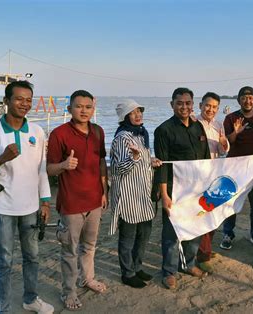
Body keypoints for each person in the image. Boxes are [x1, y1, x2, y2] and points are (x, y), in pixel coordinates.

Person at [0, 81, 54, 314]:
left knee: (32, 258)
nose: (24, 104)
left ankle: (31, 299)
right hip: (2, 207)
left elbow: (41, 170)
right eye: (19, 99)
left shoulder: (37, 132)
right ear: (6, 101)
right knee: (4, 262)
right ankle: (2, 309)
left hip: (31, 207)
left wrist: (45, 201)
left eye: (28, 100)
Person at [47, 90, 107, 310]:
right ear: (70, 108)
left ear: (93, 108)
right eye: (79, 106)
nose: (84, 110)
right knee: (70, 251)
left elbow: (101, 161)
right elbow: (49, 169)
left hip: (94, 201)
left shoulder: (99, 131)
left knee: (90, 246)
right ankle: (68, 292)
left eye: (88, 106)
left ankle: (87, 279)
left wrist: (104, 190)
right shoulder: (59, 133)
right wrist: (63, 165)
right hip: (71, 204)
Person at [154, 87, 211, 290]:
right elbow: (161, 166)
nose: (184, 107)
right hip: (174, 189)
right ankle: (169, 272)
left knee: (195, 228)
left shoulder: (198, 127)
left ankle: (188, 263)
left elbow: (206, 160)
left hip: (197, 189)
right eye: (180, 103)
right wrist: (164, 195)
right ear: (172, 105)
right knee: (171, 233)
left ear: (193, 104)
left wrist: (208, 185)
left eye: (188, 103)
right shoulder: (163, 130)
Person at [109, 99, 162, 289]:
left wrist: (150, 161)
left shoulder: (141, 135)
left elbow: (141, 163)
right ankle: (127, 273)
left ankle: (137, 266)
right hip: (129, 195)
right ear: (125, 117)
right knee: (128, 237)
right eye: (133, 112)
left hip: (143, 194)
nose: (138, 115)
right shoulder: (122, 138)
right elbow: (120, 168)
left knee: (144, 234)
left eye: (139, 110)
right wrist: (136, 157)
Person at [220, 86, 253, 251]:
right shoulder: (230, 118)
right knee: (230, 202)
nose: (247, 100)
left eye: (251, 98)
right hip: (233, 167)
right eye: (244, 97)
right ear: (239, 100)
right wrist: (235, 132)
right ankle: (228, 234)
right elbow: (227, 144)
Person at [195, 92, 230, 273]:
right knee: (202, 213)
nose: (211, 109)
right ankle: (202, 255)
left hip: (215, 175)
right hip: (197, 176)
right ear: (200, 105)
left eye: (215, 107)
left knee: (214, 214)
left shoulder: (219, 125)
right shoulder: (194, 123)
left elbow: (222, 152)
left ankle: (205, 249)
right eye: (208, 105)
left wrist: (224, 144)